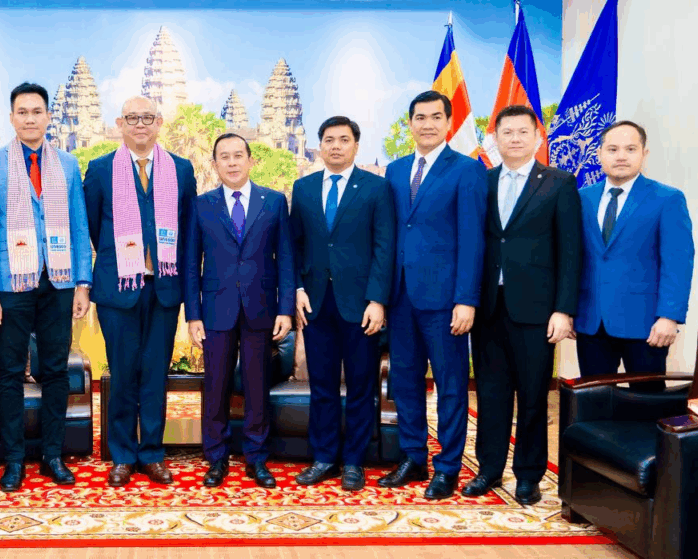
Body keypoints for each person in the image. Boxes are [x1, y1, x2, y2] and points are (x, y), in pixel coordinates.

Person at [0, 83, 92, 491]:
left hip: (59, 281)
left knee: (55, 371)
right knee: (9, 373)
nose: (30, 118)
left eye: (37, 111)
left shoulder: (68, 165)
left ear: (48, 117)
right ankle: (14, 460)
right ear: (12, 118)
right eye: (22, 112)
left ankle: (52, 456)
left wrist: (82, 284)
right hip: (11, 285)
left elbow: (79, 227)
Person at [466, 105, 582, 505]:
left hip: (536, 310)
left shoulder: (559, 183)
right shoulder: (482, 182)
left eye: (522, 132)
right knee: (491, 394)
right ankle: (488, 469)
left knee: (533, 397)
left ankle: (529, 475)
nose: (514, 138)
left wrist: (563, 309)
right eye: (507, 132)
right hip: (488, 307)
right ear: (495, 138)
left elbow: (571, 252)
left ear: (537, 136)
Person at [84, 95, 198, 487]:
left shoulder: (181, 170)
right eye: (132, 117)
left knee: (154, 374)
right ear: (120, 123)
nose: (140, 125)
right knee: (122, 373)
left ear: (159, 122)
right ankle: (122, 455)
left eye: (147, 117)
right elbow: (93, 225)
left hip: (164, 288)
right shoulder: (100, 170)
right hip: (118, 289)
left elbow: (188, 228)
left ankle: (151, 453)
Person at [379, 91, 487, 500]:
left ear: (448, 122)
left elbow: (473, 240)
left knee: (450, 385)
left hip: (445, 301)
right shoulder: (394, 170)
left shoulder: (467, 170)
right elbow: (390, 233)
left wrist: (466, 299)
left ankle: (448, 467)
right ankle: (413, 457)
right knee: (405, 383)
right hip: (400, 298)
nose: (427, 124)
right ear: (410, 123)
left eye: (436, 117)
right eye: (420, 117)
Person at [290, 116, 395, 491]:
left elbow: (384, 246)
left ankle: (354, 462)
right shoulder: (303, 188)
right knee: (322, 385)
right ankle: (324, 458)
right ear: (319, 145)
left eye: (344, 139)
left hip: (361, 305)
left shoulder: (376, 188)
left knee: (362, 385)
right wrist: (297, 288)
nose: (336, 146)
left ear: (355, 146)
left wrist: (377, 299)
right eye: (329, 139)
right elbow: (294, 245)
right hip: (315, 303)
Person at [184, 133, 294, 488]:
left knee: (257, 385)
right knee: (215, 385)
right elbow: (191, 264)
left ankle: (256, 458)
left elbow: (286, 259)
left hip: (261, 309)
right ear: (215, 164)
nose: (231, 162)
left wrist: (286, 309)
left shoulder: (274, 202)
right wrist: (193, 315)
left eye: (237, 156)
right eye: (224, 157)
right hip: (216, 310)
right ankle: (216, 457)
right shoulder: (201, 205)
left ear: (250, 160)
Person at [574, 121, 693, 389]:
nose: (621, 156)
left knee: (647, 402)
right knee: (594, 401)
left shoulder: (667, 199)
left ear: (644, 153)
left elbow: (678, 263)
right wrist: (569, 310)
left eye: (630, 149)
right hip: (591, 321)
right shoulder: (581, 198)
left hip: (647, 325)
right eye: (613, 149)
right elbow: (573, 259)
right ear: (599, 154)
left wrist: (669, 316)